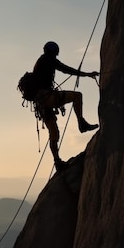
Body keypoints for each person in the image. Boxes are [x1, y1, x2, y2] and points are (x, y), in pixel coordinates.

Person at [32, 41, 100, 172]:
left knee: (54, 133)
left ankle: (57, 161)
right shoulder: (48, 59)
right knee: (77, 96)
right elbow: (66, 69)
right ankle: (82, 123)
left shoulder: (41, 61)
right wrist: (86, 74)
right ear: (54, 52)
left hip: (41, 103)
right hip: (48, 98)